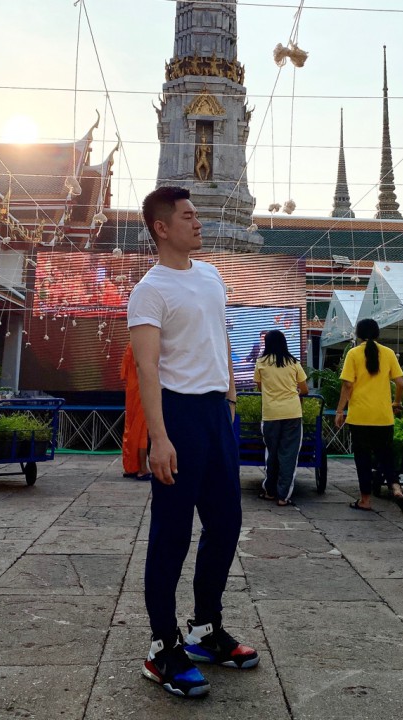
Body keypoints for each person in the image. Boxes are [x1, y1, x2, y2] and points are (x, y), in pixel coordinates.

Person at [127, 186, 259, 699]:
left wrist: (230, 397)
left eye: (196, 214)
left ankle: (206, 629)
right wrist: (158, 438)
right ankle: (163, 647)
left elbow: (220, 335)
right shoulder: (149, 290)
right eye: (187, 216)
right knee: (173, 534)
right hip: (177, 415)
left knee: (226, 525)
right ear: (162, 228)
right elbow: (147, 368)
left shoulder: (210, 275)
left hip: (215, 414)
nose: (198, 222)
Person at [334, 318, 403, 514]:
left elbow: (348, 385)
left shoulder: (353, 354)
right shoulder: (388, 353)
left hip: (359, 417)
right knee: (385, 456)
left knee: (363, 459)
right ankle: (396, 488)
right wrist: (397, 402)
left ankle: (365, 500)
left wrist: (340, 411)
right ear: (377, 333)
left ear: (358, 335)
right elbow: (400, 383)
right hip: (383, 417)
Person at [254, 330, 309, 506]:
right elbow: (305, 389)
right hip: (292, 413)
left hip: (270, 414)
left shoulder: (261, 363)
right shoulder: (294, 362)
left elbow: (260, 387)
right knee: (288, 455)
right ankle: (283, 496)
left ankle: (270, 491)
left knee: (272, 454)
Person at [119, 343, 150, 480]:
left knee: (131, 431)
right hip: (142, 391)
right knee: (141, 432)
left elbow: (123, 374)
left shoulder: (130, 346)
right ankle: (142, 468)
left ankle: (131, 466)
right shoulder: (145, 346)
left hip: (132, 393)